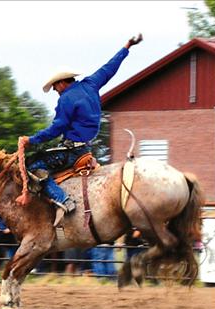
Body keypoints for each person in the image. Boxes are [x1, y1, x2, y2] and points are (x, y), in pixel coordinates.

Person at [19, 33, 143, 226]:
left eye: (54, 87)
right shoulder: (91, 84)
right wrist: (127, 46)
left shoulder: (66, 99)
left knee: (31, 167)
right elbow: (110, 68)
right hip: (86, 149)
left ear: (61, 82)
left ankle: (63, 200)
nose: (54, 90)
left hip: (71, 152)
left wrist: (31, 140)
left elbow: (56, 128)